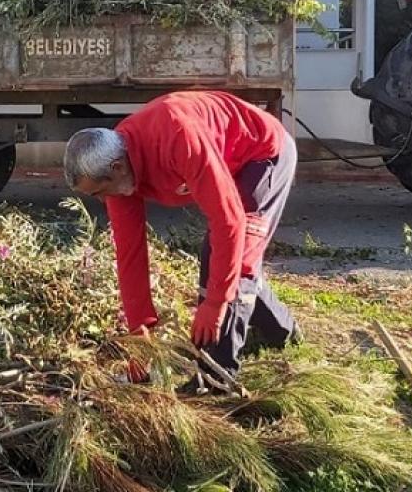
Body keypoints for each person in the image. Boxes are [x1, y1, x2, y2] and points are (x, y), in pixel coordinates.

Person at [63, 91, 301, 392]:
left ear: (116, 169)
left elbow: (230, 221)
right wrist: (142, 346)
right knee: (225, 262)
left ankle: (215, 382)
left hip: (264, 154)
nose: (101, 200)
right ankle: (284, 332)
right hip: (224, 159)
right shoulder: (116, 172)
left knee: (234, 258)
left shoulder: (177, 135)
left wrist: (214, 305)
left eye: (97, 193)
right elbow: (130, 256)